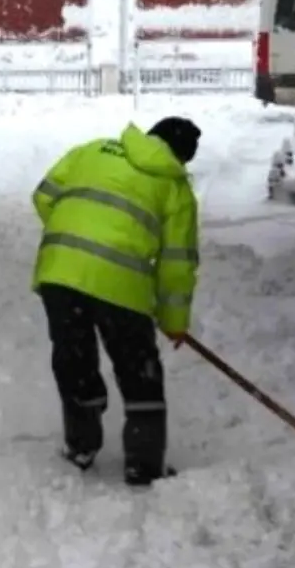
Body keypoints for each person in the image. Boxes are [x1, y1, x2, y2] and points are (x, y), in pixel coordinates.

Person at [32, 118, 201, 487]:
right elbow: (177, 263)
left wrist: (77, 233)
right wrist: (174, 319)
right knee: (138, 372)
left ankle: (81, 445)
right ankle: (143, 465)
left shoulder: (92, 150)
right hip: (121, 286)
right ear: (181, 158)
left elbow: (43, 196)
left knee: (74, 360)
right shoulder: (175, 188)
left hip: (60, 273)